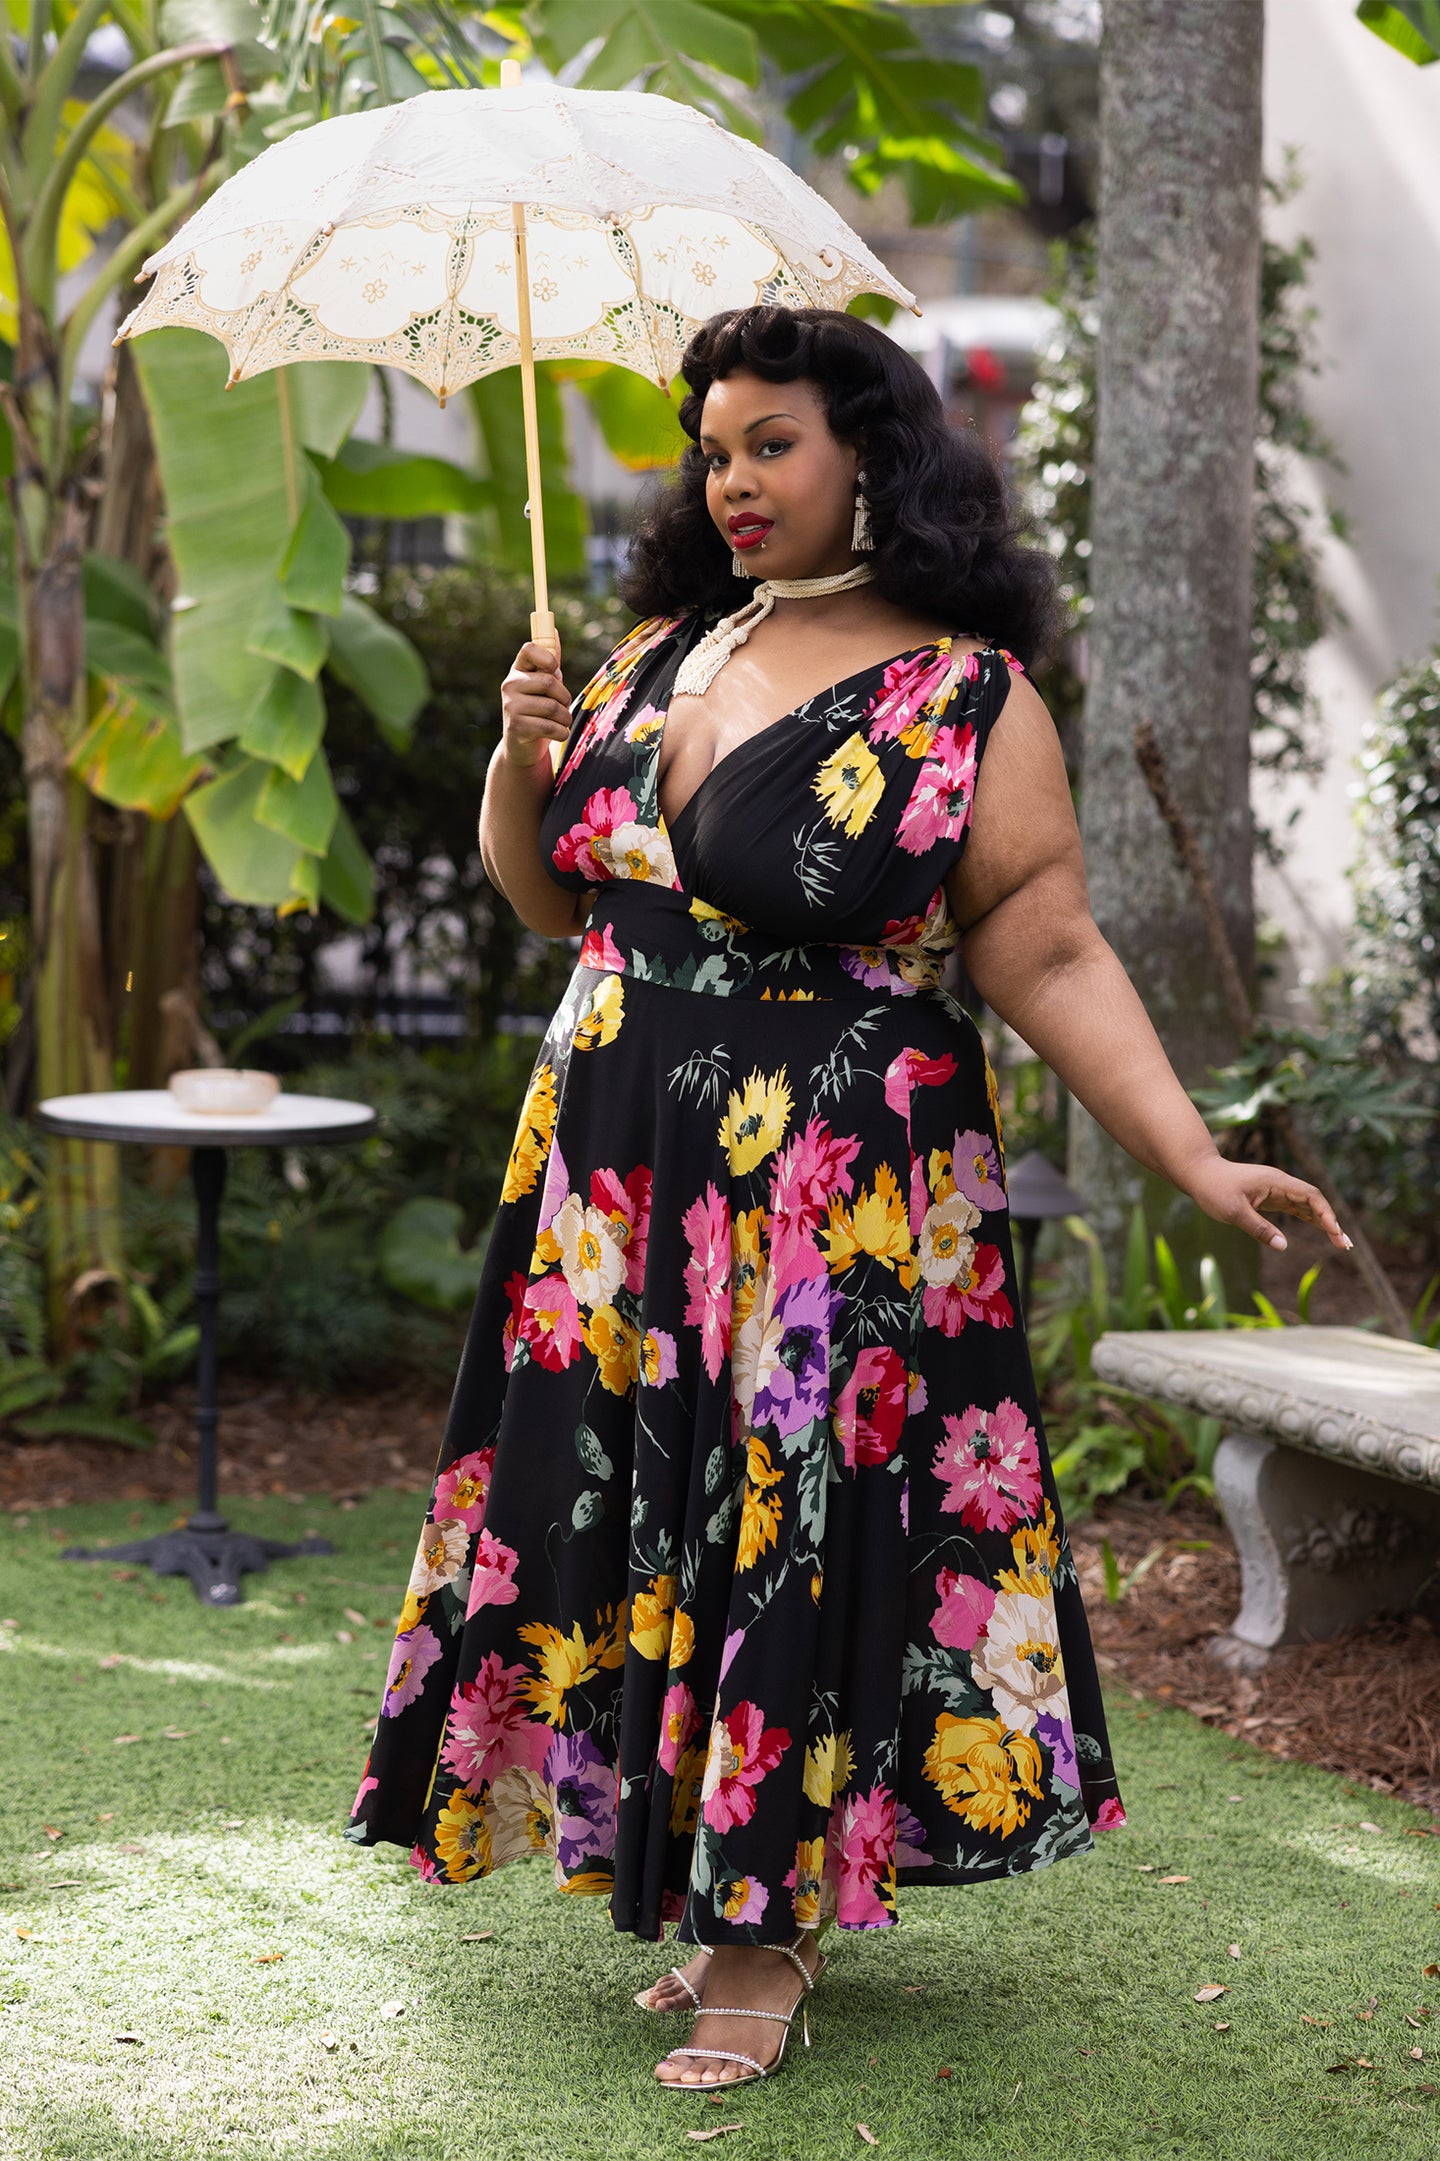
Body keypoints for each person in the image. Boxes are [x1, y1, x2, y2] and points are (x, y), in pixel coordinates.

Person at [347, 304, 1350, 2094]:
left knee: (783, 1524)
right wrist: (520, 757)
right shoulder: (652, 650)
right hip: (615, 1180)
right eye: (713, 452)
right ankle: (709, 1882)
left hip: (828, 1185)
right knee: (645, 1517)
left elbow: (1045, 943)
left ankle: (761, 1931)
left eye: (772, 443)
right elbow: (555, 901)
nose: (732, 479)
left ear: (870, 454)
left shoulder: (965, 695)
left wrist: (1191, 1152)